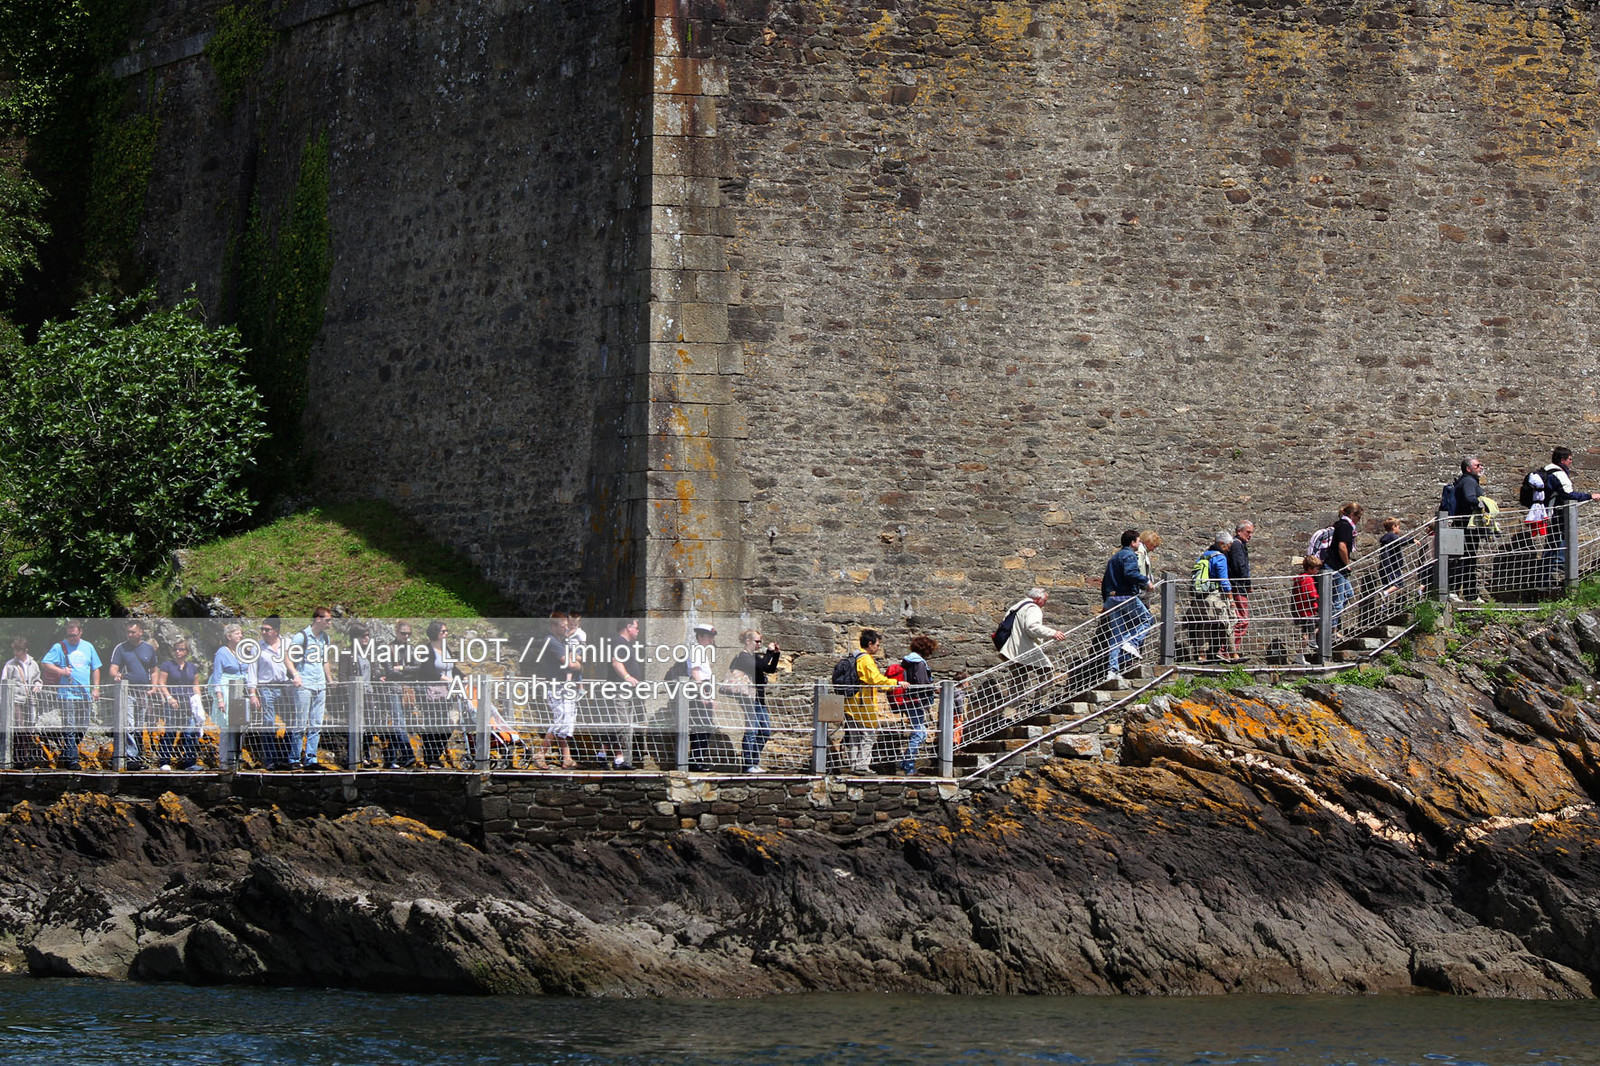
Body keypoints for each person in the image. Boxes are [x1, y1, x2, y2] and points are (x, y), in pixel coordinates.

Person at [39, 620, 101, 771]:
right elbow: (45, 663)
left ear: (80, 632)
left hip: (84, 694)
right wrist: (61, 671)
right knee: (70, 726)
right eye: (69, 635)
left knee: (83, 726)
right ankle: (73, 760)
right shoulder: (59, 647)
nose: (71, 638)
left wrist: (96, 688)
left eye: (74, 635)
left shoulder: (88, 647)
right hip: (67, 693)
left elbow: (96, 668)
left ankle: (66, 755)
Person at [843, 629, 902, 774]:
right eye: (877, 645)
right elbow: (875, 679)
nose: (878, 648)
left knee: (855, 737)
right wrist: (895, 683)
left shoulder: (855, 657)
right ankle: (862, 766)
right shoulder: (866, 660)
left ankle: (854, 766)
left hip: (850, 703)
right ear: (870, 644)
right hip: (862, 704)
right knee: (869, 735)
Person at [998, 587, 1065, 709]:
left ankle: (1009, 713)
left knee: (1019, 680)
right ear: (1038, 599)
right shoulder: (1033, 608)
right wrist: (1053, 633)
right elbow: (1032, 627)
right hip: (1025, 648)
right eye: (1044, 601)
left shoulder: (1016, 607)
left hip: (1010, 650)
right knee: (1048, 671)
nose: (1044, 604)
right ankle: (1038, 704)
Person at [246, 617, 298, 770]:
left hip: (285, 686)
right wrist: (252, 693)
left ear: (276, 631)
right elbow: (252, 670)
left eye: (267, 629)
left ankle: (286, 756)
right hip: (266, 686)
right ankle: (270, 759)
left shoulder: (287, 644)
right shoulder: (258, 647)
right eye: (262, 629)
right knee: (269, 722)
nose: (263, 632)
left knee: (291, 720)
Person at [1101, 529, 1153, 681]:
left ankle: (1112, 671)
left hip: (1112, 598)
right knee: (1147, 620)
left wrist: (1106, 601)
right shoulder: (1129, 555)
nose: (1140, 544)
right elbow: (1130, 573)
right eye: (1138, 541)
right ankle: (1131, 643)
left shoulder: (1114, 557)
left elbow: (1105, 581)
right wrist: (1146, 581)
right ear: (1132, 543)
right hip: (1125, 597)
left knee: (1116, 635)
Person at [286, 608, 334, 770]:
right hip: (305, 684)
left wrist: (330, 680)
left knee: (316, 723)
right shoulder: (302, 637)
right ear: (318, 619)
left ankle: (311, 758)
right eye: (327, 620)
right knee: (300, 722)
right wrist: (295, 675)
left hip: (320, 684)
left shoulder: (325, 638)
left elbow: (324, 660)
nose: (330, 623)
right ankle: (294, 758)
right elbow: (288, 658)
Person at [109, 619, 159, 769]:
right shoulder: (121, 648)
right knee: (129, 724)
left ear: (140, 632)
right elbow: (113, 668)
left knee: (139, 725)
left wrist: (154, 687)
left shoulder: (149, 649)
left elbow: (154, 670)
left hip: (143, 692)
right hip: (128, 691)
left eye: (133, 632)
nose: (130, 635)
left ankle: (138, 757)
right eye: (128, 632)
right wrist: (116, 675)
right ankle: (131, 757)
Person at [728, 627, 780, 773]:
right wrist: (769, 652)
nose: (759, 644)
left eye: (760, 642)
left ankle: (754, 762)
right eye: (757, 641)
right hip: (749, 698)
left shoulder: (754, 656)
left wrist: (776, 654)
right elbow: (761, 666)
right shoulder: (743, 657)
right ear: (748, 641)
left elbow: (769, 669)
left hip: (759, 699)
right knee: (752, 731)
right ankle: (748, 765)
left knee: (765, 731)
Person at [1541, 447, 1593, 588]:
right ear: (1563, 460)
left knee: (1552, 545)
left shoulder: (1547, 471)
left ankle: (1545, 579)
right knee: (1557, 545)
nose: (1571, 462)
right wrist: (1589, 496)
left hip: (1550, 513)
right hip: (1557, 515)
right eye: (1570, 459)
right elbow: (1568, 495)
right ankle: (1561, 577)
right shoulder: (1559, 474)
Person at [532, 613, 578, 770]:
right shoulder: (551, 641)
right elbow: (570, 663)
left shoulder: (562, 641)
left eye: (567, 626)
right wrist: (578, 665)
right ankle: (540, 754)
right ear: (553, 627)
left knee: (564, 722)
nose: (566, 628)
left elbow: (576, 658)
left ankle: (567, 758)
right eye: (563, 626)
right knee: (559, 721)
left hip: (564, 687)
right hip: (556, 687)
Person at [153, 638, 204, 771]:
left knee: (190, 733)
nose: (177, 652)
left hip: (188, 704)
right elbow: (161, 683)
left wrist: (198, 700)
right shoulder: (167, 665)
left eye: (181, 649)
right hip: (173, 703)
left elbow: (195, 685)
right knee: (170, 732)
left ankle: (190, 762)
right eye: (175, 649)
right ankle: (164, 761)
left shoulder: (192, 667)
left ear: (186, 651)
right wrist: (169, 698)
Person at [1186, 532, 1235, 663]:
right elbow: (1224, 580)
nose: (1229, 549)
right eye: (1228, 546)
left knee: (1204, 624)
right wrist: (1230, 599)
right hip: (1215, 595)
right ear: (1221, 544)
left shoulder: (1203, 556)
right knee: (1227, 622)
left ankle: (1202, 655)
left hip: (1201, 596)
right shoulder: (1220, 557)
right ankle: (1233, 654)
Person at [420, 619, 463, 767]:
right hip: (433, 693)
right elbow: (426, 670)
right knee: (433, 724)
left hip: (448, 693)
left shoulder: (446, 649)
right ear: (435, 633)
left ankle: (436, 754)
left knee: (448, 725)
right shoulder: (427, 650)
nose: (446, 633)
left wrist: (463, 677)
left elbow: (452, 667)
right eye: (443, 631)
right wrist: (446, 678)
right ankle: (430, 758)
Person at [603, 619, 643, 770]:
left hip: (626, 691)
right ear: (628, 627)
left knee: (622, 724)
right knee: (621, 724)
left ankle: (604, 755)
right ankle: (618, 759)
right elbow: (616, 662)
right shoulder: (619, 642)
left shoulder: (624, 643)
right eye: (636, 627)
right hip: (620, 690)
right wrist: (627, 677)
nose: (638, 631)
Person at [1448, 457, 1486, 604]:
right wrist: (1483, 503)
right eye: (1477, 465)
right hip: (1468, 526)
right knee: (1467, 558)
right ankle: (1457, 591)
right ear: (1468, 469)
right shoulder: (1469, 481)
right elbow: (1470, 497)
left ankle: (1469, 594)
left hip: (1463, 525)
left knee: (1466, 558)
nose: (1480, 467)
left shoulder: (1464, 481)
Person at [898, 634, 936, 776]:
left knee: (919, 732)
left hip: (909, 700)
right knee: (920, 733)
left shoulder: (908, 661)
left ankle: (906, 763)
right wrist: (934, 688)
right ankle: (908, 765)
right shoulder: (919, 663)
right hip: (916, 701)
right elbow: (922, 683)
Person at [3, 637, 44, 768]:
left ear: (25, 650)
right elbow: (4, 682)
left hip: (30, 701)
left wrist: (38, 685)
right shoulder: (10, 665)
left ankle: (25, 757)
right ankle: (19, 759)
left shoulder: (33, 664)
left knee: (29, 729)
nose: (15, 653)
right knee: (19, 728)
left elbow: (37, 679)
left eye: (18, 650)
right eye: (14, 650)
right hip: (15, 700)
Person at [1325, 502, 1363, 633]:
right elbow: (1342, 546)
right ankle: (1331, 631)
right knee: (1338, 600)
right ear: (1352, 515)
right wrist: (1347, 564)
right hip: (1336, 566)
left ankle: (1329, 624)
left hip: (1335, 566)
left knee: (1348, 593)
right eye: (1359, 517)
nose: (1359, 521)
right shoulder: (1345, 526)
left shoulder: (1339, 524)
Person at [687, 622, 719, 770]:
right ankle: (696, 760)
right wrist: (703, 694)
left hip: (705, 688)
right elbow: (695, 673)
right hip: (700, 689)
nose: (711, 640)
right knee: (701, 726)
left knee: (705, 726)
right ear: (700, 636)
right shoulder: (697, 650)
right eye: (708, 636)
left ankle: (699, 758)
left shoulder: (701, 651)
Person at [1227, 521, 1254, 657]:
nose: (1250, 535)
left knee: (1239, 619)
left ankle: (1231, 651)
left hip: (1237, 586)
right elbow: (1240, 567)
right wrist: (1247, 583)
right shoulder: (1237, 545)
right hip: (1238, 587)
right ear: (1239, 531)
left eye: (1251, 533)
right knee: (1242, 620)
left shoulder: (1238, 544)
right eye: (1248, 532)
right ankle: (1229, 651)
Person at [1292, 555, 1323, 664]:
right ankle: (1310, 642)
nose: (1317, 571)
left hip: (1302, 610)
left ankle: (1300, 654)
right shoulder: (1309, 579)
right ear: (1310, 568)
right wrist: (1320, 598)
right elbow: (1312, 594)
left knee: (1307, 632)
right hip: (1309, 610)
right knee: (1313, 629)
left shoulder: (1299, 578)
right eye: (1316, 569)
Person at [1378, 517, 1407, 596]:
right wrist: (1412, 540)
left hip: (1384, 566)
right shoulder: (1392, 536)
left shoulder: (1386, 538)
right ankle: (1385, 593)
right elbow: (1400, 541)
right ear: (1394, 527)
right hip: (1392, 566)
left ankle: (1383, 600)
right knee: (1399, 584)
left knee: (1386, 585)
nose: (1399, 529)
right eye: (1399, 527)